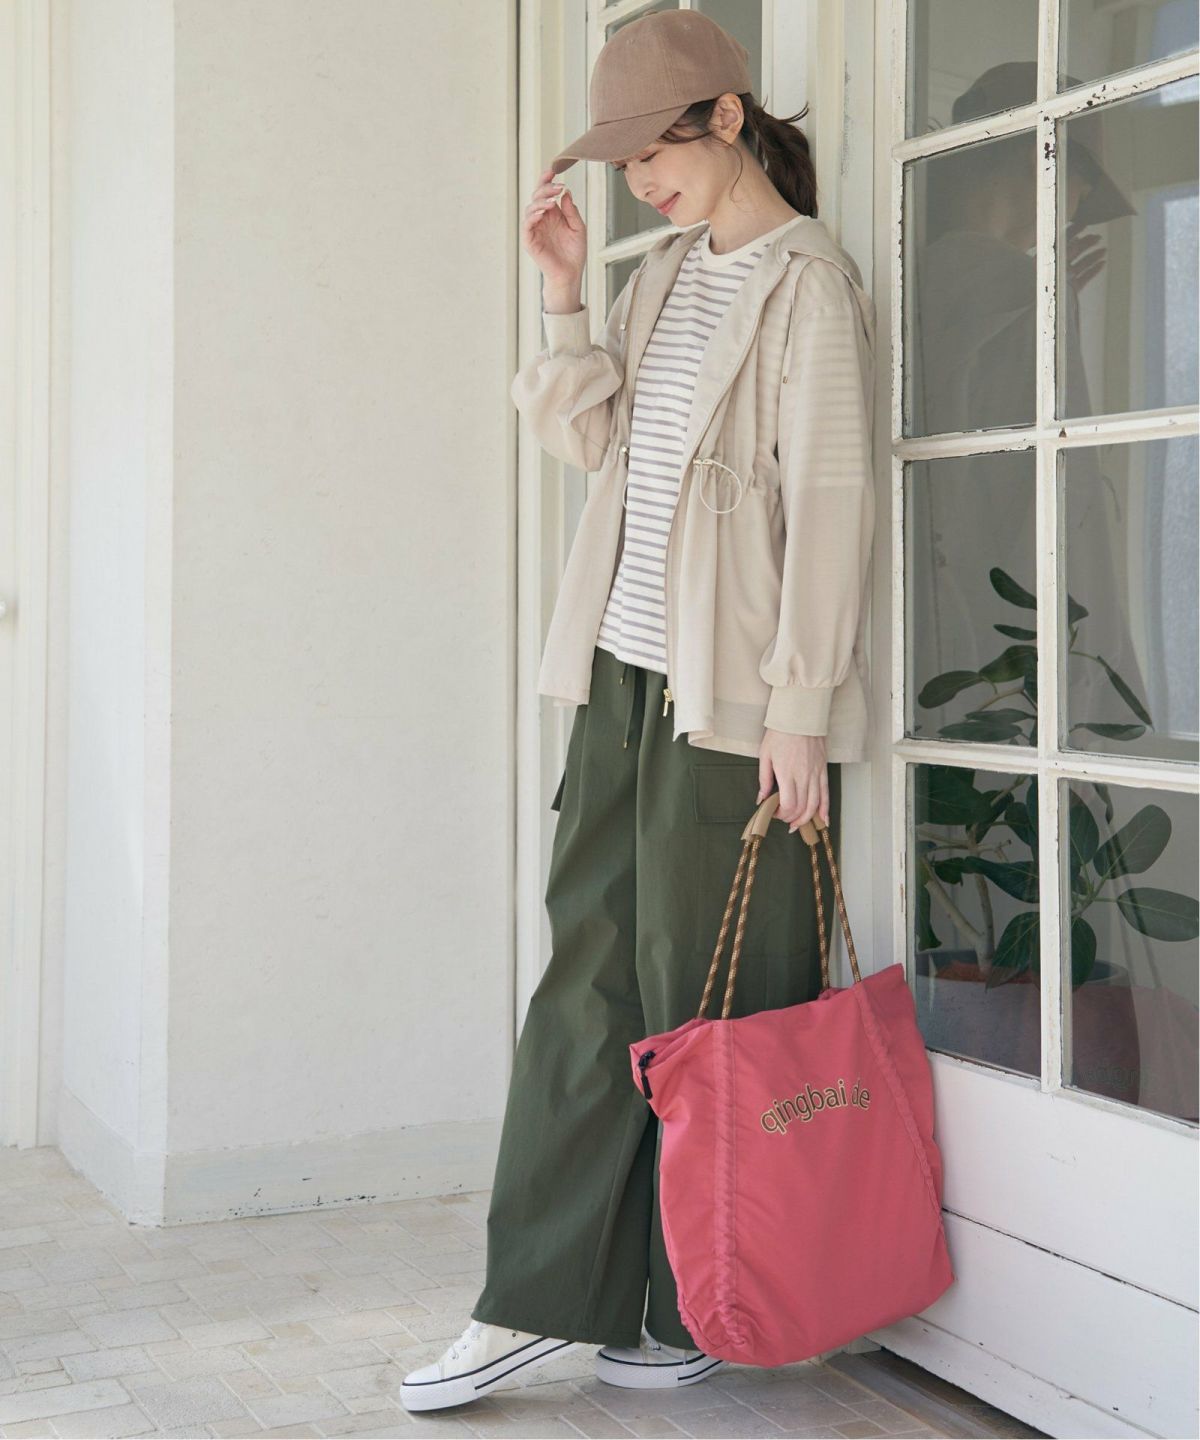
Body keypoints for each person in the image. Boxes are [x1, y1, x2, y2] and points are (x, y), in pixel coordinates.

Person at [401, 9, 877, 1413]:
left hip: (734, 706)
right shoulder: (664, 274)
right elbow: (602, 448)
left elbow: (832, 512)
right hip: (622, 677)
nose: (637, 183)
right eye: (620, 164)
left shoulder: (810, 287)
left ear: (727, 118)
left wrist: (801, 709)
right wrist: (563, 296)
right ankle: (529, 1300)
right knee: (585, 987)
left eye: (652, 151)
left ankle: (695, 1305)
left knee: (711, 1009)